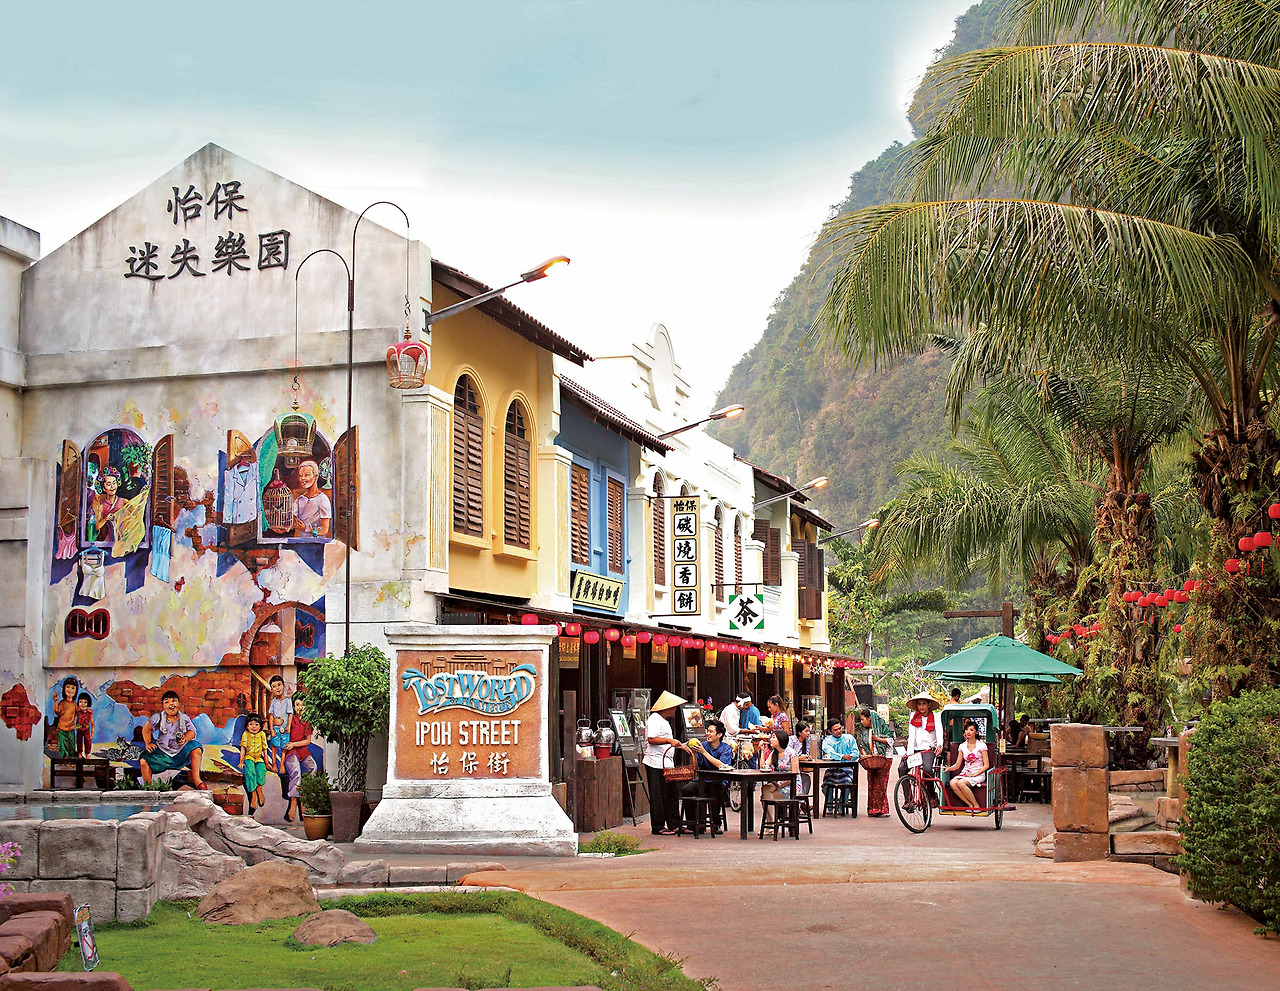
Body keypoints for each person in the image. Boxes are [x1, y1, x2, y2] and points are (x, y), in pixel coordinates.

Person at [644, 690, 691, 836]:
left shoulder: (663, 721)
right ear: (666, 707)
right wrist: (669, 741)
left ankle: (674, 824)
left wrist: (680, 745)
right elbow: (651, 739)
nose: (675, 709)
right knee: (658, 795)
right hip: (655, 762)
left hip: (666, 763)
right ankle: (657, 826)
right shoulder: (654, 719)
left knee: (672, 795)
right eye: (673, 707)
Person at [140, 690, 206, 789]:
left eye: (174, 701)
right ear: (163, 706)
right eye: (166, 702)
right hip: (163, 753)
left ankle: (197, 780)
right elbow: (146, 728)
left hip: (180, 753)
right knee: (143, 760)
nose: (171, 704)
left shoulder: (184, 718)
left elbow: (192, 732)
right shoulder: (158, 718)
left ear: (179, 704)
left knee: (196, 748)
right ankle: (148, 787)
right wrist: (148, 743)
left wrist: (185, 738)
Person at [898, 692, 944, 796]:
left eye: (924, 704)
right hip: (915, 750)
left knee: (927, 770)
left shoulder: (936, 717)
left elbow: (939, 733)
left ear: (929, 705)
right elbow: (912, 736)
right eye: (919, 704)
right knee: (902, 769)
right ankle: (908, 798)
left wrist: (939, 745)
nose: (921, 707)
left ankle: (931, 794)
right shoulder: (913, 716)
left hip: (929, 749)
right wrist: (909, 753)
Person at [685, 717, 734, 809]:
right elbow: (696, 767)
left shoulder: (726, 748)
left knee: (715, 790)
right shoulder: (703, 745)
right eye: (707, 731)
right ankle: (692, 822)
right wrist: (694, 754)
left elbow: (722, 765)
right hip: (703, 780)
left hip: (718, 781)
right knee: (687, 790)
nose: (708, 734)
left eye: (711, 732)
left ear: (719, 734)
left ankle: (715, 822)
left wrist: (704, 752)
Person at [282, 695, 317, 822]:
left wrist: (294, 744)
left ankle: (304, 797)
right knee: (295, 771)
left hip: (301, 749)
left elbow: (307, 741)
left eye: (302, 705)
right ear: (293, 706)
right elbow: (285, 740)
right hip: (291, 751)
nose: (300, 708)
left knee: (312, 767)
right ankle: (294, 801)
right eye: (297, 705)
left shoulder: (307, 721)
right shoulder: (291, 720)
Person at [856, 708, 895, 817]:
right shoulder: (864, 730)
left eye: (863, 719)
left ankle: (882, 809)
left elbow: (890, 740)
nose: (862, 722)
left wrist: (876, 738)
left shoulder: (882, 726)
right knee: (871, 782)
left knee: (880, 784)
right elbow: (862, 745)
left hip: (884, 758)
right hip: (871, 760)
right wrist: (864, 753)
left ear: (870, 718)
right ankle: (872, 809)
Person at [946, 719, 990, 810]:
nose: (968, 732)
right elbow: (957, 764)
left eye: (971, 730)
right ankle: (970, 805)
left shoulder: (982, 745)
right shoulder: (962, 746)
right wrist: (948, 768)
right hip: (966, 772)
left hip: (978, 773)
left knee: (961, 783)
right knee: (953, 783)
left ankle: (976, 805)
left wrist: (975, 774)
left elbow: (986, 765)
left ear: (976, 732)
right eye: (966, 730)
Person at [761, 724, 810, 803]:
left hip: (791, 786)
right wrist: (762, 751)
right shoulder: (774, 753)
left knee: (767, 798)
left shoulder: (792, 754)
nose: (770, 740)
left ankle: (772, 815)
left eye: (773, 737)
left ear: (780, 739)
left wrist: (781, 785)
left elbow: (794, 774)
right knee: (765, 789)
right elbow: (763, 767)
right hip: (778, 784)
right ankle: (772, 815)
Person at [820, 718, 859, 809]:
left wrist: (850, 756)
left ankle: (842, 805)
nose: (839, 731)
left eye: (840, 728)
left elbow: (856, 753)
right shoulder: (827, 740)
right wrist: (842, 756)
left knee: (848, 784)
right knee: (826, 785)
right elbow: (829, 752)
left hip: (847, 770)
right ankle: (830, 805)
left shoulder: (849, 738)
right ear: (830, 731)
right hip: (832, 768)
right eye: (835, 730)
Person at [292, 460, 332, 538]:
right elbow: (292, 521)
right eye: (300, 475)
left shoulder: (323, 499)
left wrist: (306, 529)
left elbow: (324, 529)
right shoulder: (299, 500)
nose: (303, 478)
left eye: (307, 475)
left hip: (318, 543)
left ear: (316, 477)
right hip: (301, 542)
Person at [239, 713, 269, 816]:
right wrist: (241, 761)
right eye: (251, 724)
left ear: (260, 726)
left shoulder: (262, 735)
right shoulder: (245, 734)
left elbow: (265, 749)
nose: (254, 727)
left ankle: (259, 789)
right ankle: (253, 794)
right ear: (247, 726)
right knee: (250, 772)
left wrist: (266, 762)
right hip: (249, 757)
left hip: (258, 758)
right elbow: (243, 748)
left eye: (256, 724)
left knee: (261, 770)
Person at [266, 674, 292, 776]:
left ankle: (282, 764)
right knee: (274, 746)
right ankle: (274, 764)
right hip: (276, 729)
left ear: (283, 685)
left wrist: (288, 726)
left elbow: (290, 714)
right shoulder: (273, 702)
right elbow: (271, 716)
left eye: (279, 685)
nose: (277, 688)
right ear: (272, 689)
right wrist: (271, 729)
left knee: (284, 747)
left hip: (284, 729)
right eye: (274, 686)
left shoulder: (287, 701)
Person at [51, 678, 79, 758]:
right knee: (63, 747)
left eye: (73, 688)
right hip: (61, 729)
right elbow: (56, 711)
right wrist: (55, 701)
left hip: (71, 730)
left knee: (71, 746)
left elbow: (79, 715)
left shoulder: (74, 705)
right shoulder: (62, 703)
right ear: (64, 689)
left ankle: (72, 759)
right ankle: (65, 760)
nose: (70, 690)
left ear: (76, 691)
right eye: (68, 687)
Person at [75, 692, 95, 758]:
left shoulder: (90, 712)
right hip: (79, 730)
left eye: (85, 702)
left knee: (88, 742)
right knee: (79, 741)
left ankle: (87, 754)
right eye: (81, 702)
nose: (83, 704)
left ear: (88, 703)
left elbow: (92, 723)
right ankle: (80, 753)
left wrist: (92, 732)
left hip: (86, 730)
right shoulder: (77, 711)